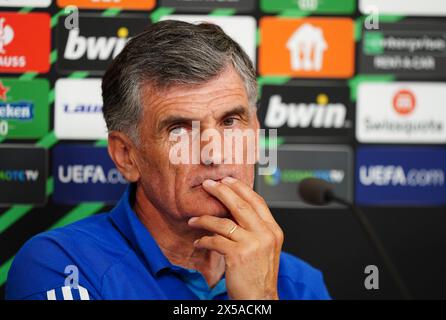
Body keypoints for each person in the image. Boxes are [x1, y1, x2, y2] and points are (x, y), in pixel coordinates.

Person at [6, 20, 331, 300]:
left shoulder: (301, 284)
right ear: (126, 155)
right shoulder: (62, 266)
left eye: (230, 122)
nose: (214, 153)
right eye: (179, 129)